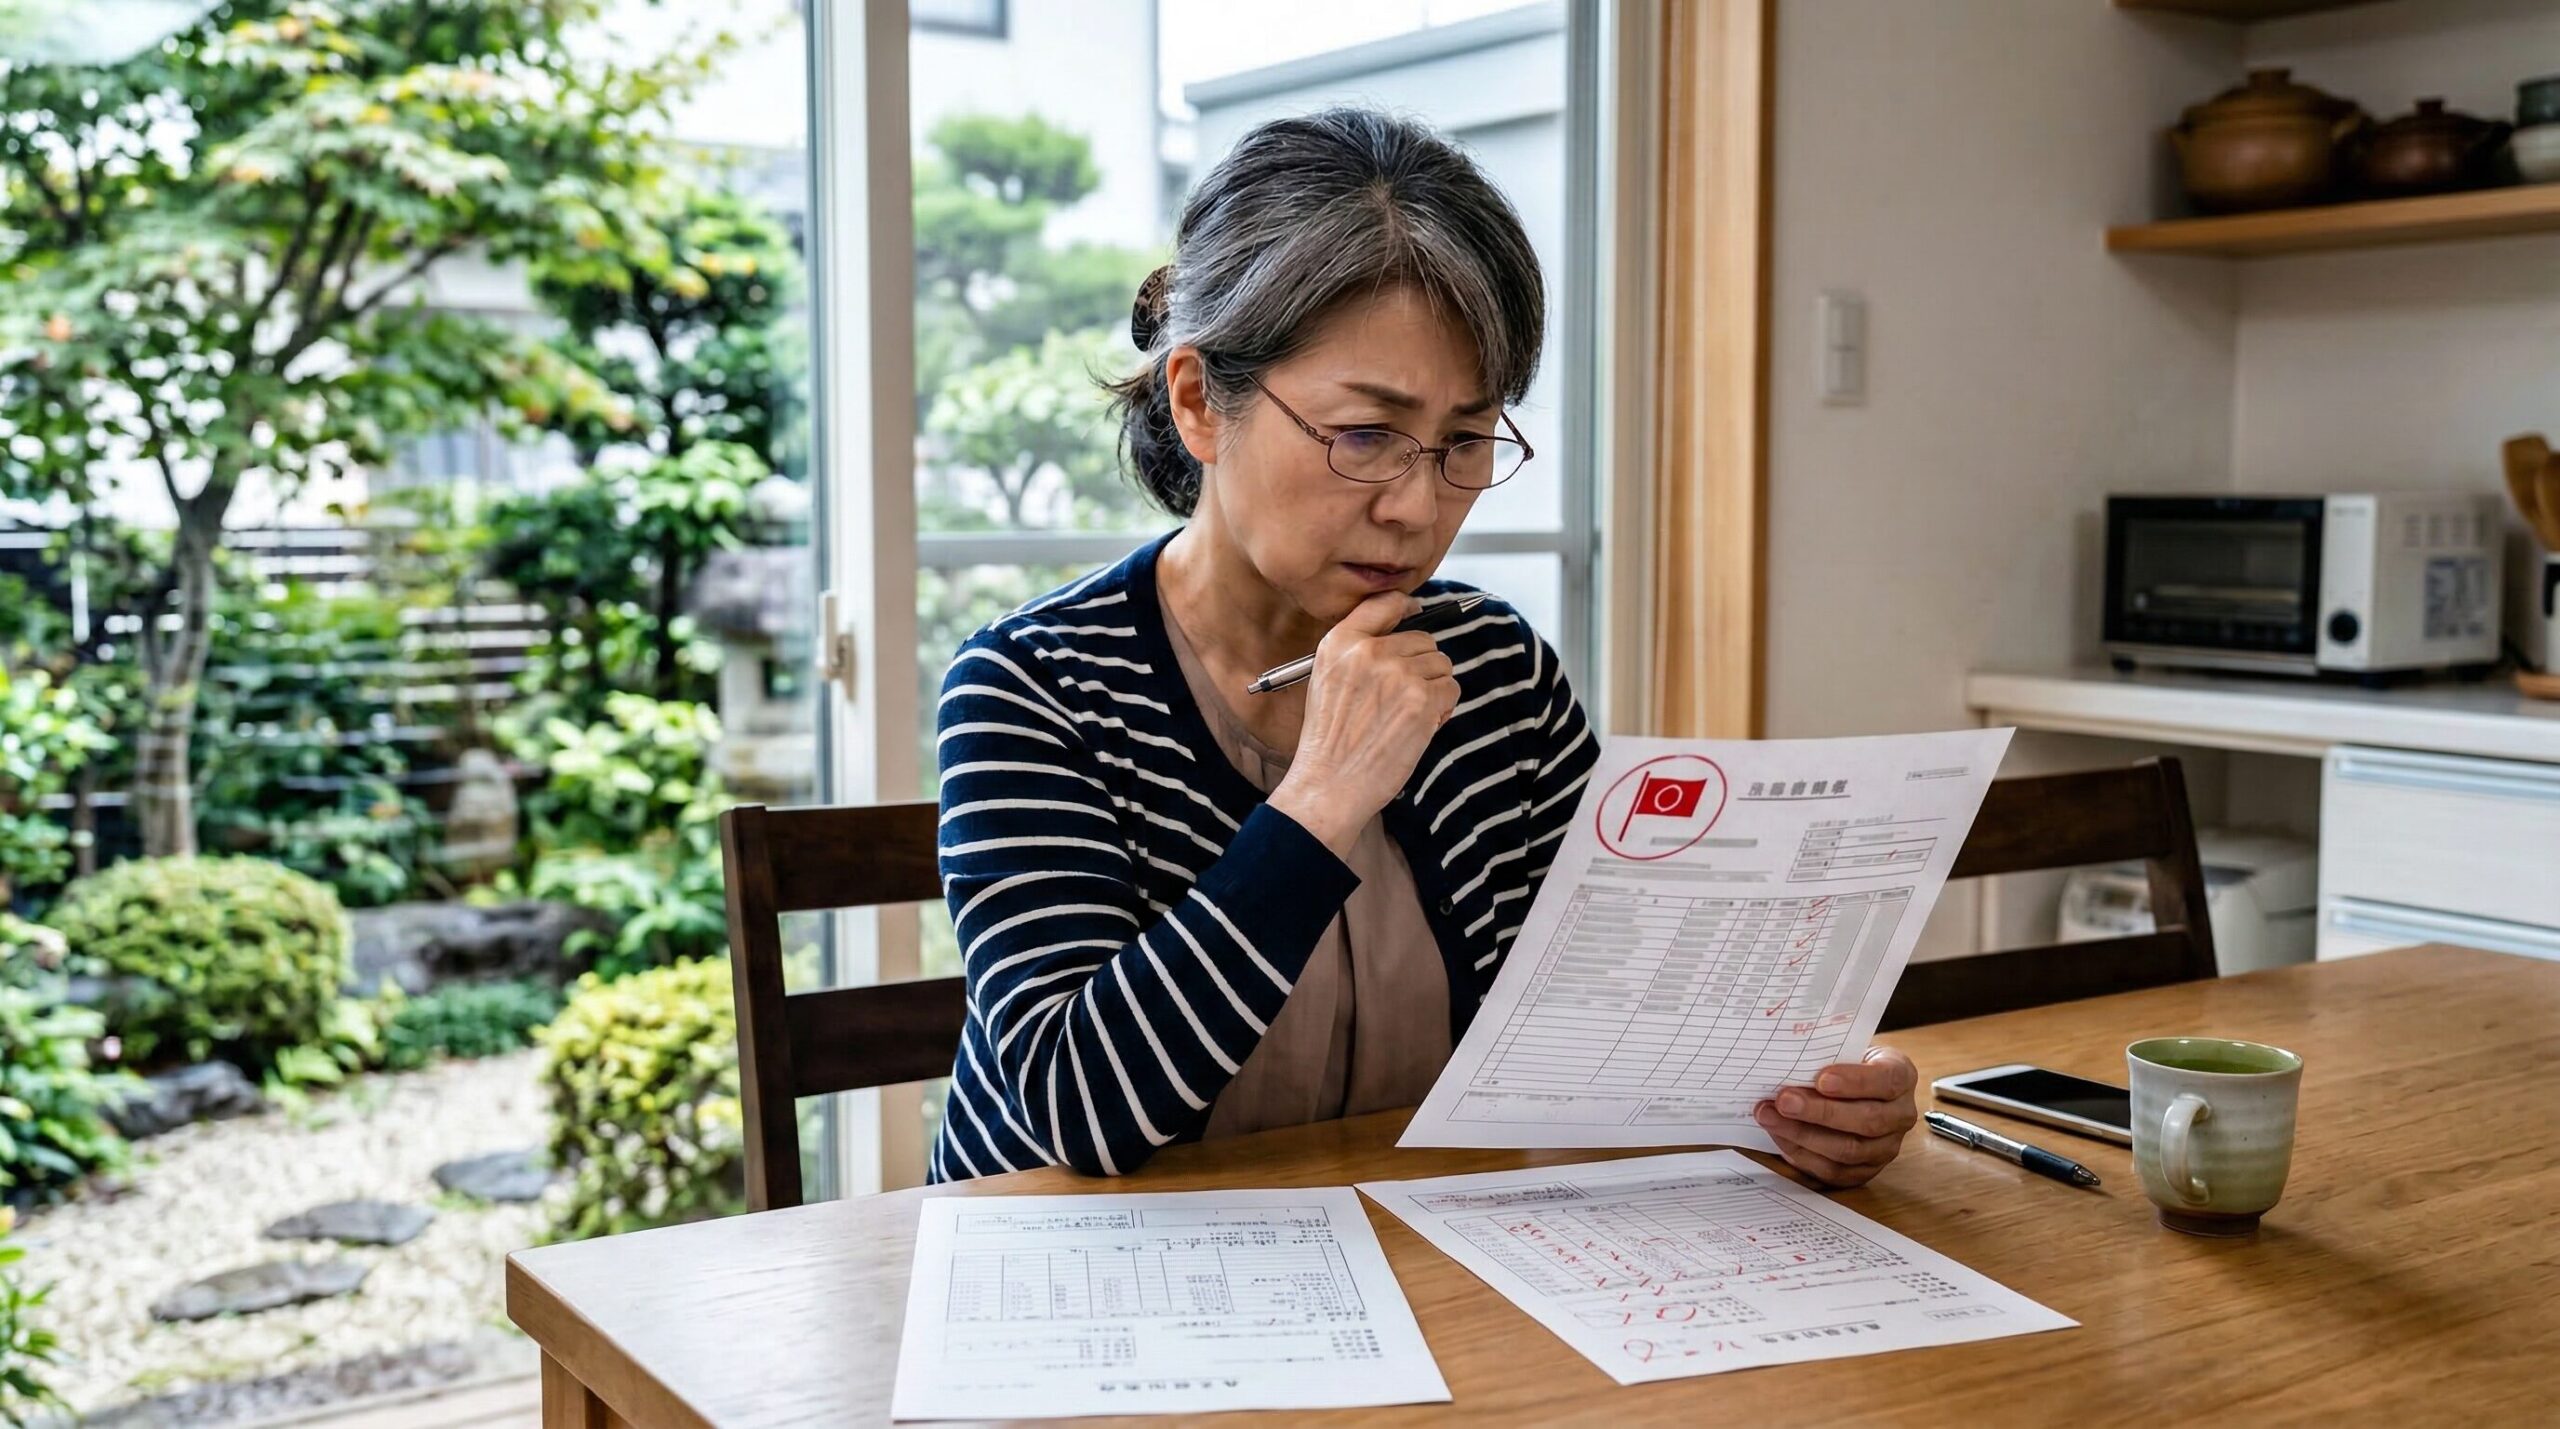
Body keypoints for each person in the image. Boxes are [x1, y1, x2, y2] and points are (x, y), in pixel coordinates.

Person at [929, 107, 1917, 1188]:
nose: (1417, 506)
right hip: (1087, 1285)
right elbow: (1081, 1108)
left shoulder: (1493, 671)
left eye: (1464, 441)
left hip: (1410, 1259)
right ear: (1201, 402)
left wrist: (1800, 1097)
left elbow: (1601, 1023)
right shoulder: (1031, 688)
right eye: (1364, 434)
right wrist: (1322, 796)